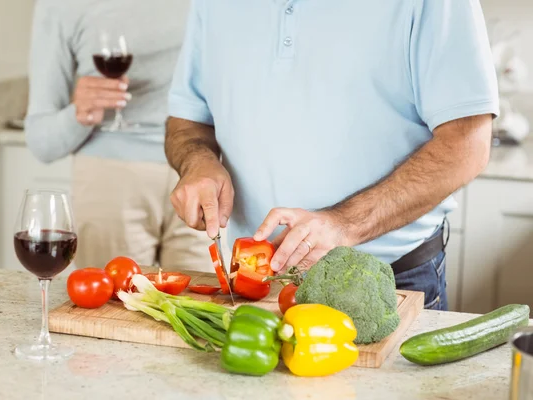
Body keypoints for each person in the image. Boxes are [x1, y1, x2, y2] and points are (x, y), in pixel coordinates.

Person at [165, 0, 499, 310]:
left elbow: (467, 144)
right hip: (254, 286)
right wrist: (198, 162)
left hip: (386, 283)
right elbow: (188, 119)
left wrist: (343, 224)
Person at [25, 0, 212, 271]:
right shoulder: (60, 5)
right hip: (109, 180)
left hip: (201, 171)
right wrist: (80, 113)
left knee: (204, 308)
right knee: (111, 309)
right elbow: (42, 143)